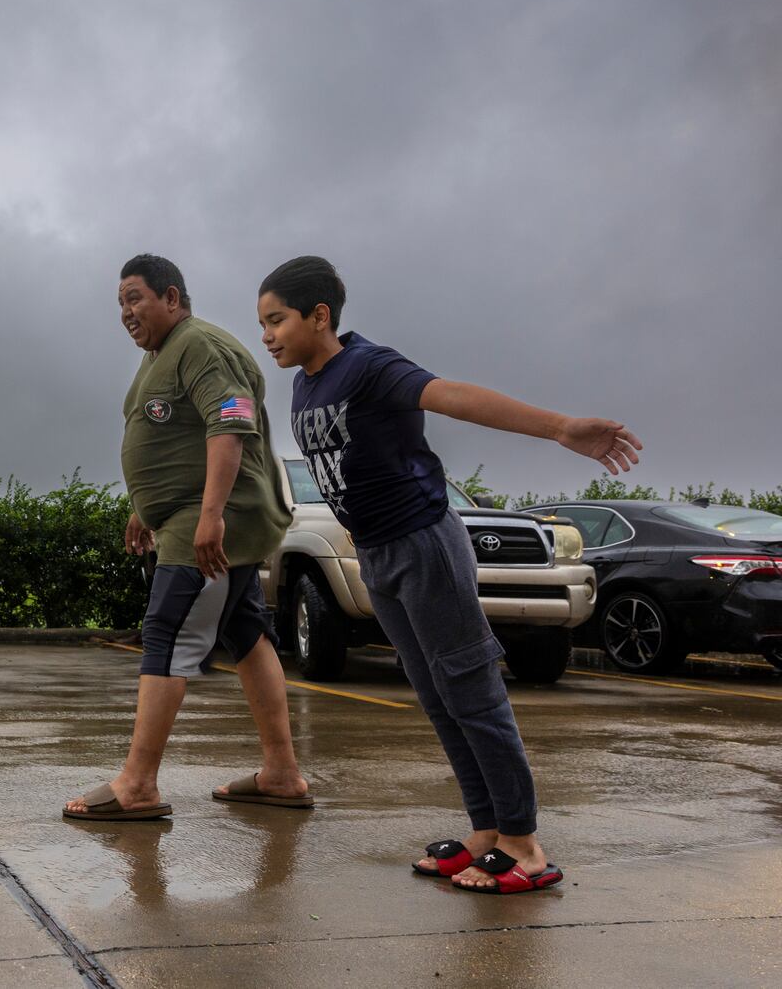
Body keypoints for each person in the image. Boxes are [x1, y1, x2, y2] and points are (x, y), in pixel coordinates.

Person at [255, 255, 642, 894]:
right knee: (434, 694)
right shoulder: (306, 384)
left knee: (470, 688)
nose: (267, 335)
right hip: (377, 554)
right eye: (263, 323)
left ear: (319, 316)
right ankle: (486, 831)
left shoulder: (370, 365)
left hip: (424, 543)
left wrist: (561, 428)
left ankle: (524, 844)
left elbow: (454, 396)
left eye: (277, 320)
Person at [63, 254, 311, 822]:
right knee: (246, 634)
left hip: (210, 522)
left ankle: (138, 784)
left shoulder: (201, 345)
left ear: (171, 297)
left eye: (135, 298)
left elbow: (231, 419)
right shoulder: (160, 356)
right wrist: (141, 508)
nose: (125, 312)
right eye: (120, 302)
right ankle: (280, 774)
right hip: (181, 516)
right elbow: (165, 436)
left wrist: (211, 514)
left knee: (167, 631)